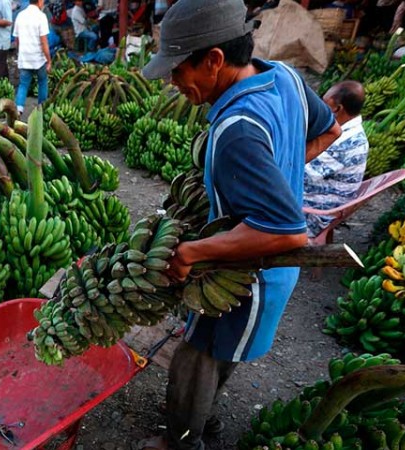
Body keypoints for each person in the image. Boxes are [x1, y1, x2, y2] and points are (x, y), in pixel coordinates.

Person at [137, 1, 341, 449]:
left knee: (198, 360)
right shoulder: (284, 77)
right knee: (213, 356)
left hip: (250, 274)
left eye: (178, 71)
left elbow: (288, 232)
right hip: (255, 265)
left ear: (213, 59)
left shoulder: (237, 129)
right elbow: (330, 131)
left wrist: (192, 252)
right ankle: (202, 421)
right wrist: (281, 173)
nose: (174, 84)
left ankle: (182, 441)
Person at [304, 81, 369, 238]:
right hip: (315, 200)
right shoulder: (348, 132)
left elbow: (298, 175)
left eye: (324, 103)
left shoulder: (345, 142)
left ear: (337, 109)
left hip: (312, 215)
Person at [12, 0, 52, 116]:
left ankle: (18, 111)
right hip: (38, 59)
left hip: (25, 58)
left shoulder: (20, 15)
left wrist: (20, 53)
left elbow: (17, 39)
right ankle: (41, 110)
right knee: (42, 82)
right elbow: (44, 42)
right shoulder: (41, 16)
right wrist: (49, 61)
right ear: (39, 1)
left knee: (23, 85)